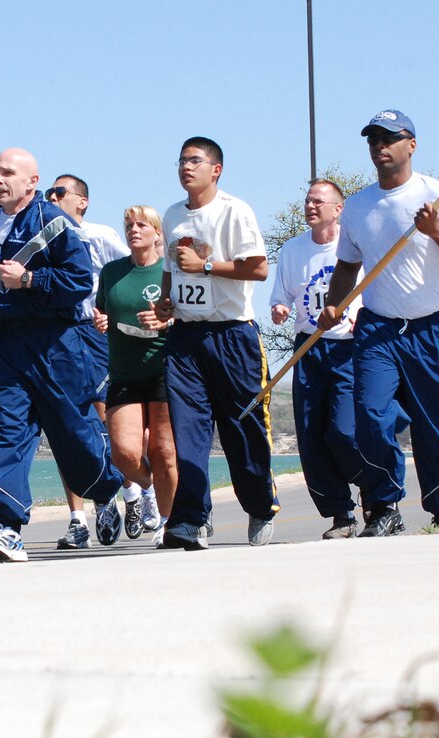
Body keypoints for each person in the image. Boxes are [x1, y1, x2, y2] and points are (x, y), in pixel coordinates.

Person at [318, 110, 439, 536]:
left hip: (434, 329)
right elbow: (345, 267)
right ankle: (384, 506)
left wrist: (436, 231)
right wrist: (335, 304)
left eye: (389, 138)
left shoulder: (438, 195)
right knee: (370, 415)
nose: (380, 146)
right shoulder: (356, 206)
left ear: (411, 144)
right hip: (379, 329)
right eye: (373, 139)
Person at [0, 148, 123, 563]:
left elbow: (80, 280)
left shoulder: (54, 222)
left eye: (8, 172)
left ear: (33, 181)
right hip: (4, 345)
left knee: (74, 434)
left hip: (57, 343)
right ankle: (6, 528)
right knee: (4, 431)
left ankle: (105, 488)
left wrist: (30, 278)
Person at [153, 136, 279, 550]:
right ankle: (190, 519)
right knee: (188, 430)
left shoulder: (234, 210)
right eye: (181, 161)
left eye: (195, 160)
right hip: (186, 338)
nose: (186, 167)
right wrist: (168, 300)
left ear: (215, 170)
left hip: (232, 335)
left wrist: (206, 265)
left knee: (242, 430)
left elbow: (258, 269)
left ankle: (260, 505)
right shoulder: (172, 215)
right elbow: (172, 267)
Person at [271, 178, 365, 539]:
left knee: (343, 430)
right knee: (311, 436)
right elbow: (282, 294)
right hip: (308, 347)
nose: (310, 207)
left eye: (318, 202)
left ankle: (371, 487)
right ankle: (341, 515)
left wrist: (362, 315)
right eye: (307, 201)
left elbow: (372, 288)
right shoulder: (293, 250)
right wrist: (280, 308)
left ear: (338, 209)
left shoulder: (354, 244)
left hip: (347, 346)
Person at [44, 175, 130, 548]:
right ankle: (78, 518)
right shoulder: (41, 236)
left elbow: (125, 275)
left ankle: (132, 493)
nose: (52, 197)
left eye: (60, 192)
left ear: (82, 202)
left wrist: (110, 314)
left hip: (93, 333)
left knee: (105, 414)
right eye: (50, 192)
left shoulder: (100, 234)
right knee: (65, 425)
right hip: (56, 337)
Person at [96, 206, 177, 546]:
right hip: (125, 372)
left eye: (143, 224)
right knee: (124, 454)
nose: (134, 230)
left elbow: (188, 314)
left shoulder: (168, 270)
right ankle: (150, 492)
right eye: (129, 224)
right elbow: (103, 310)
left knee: (163, 453)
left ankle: (170, 523)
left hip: (164, 370)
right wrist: (100, 321)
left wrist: (167, 321)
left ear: (158, 233)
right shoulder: (111, 272)